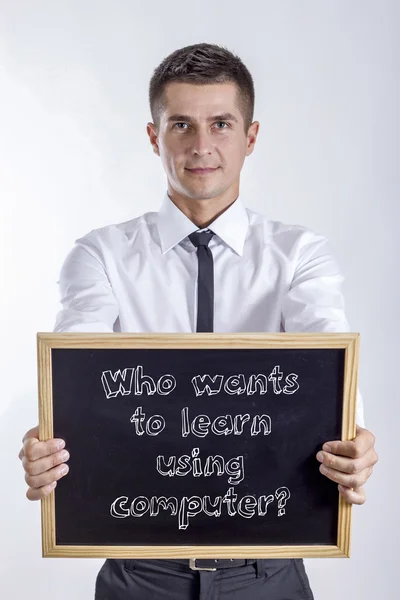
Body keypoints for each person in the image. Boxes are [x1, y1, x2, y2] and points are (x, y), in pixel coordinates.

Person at [18, 43, 378, 600]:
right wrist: (49, 440)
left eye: (221, 124)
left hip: (268, 573)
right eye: (181, 124)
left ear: (251, 137)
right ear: (153, 136)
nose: (201, 145)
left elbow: (328, 358)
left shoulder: (299, 255)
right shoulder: (101, 256)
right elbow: (74, 374)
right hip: (141, 574)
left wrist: (355, 440)